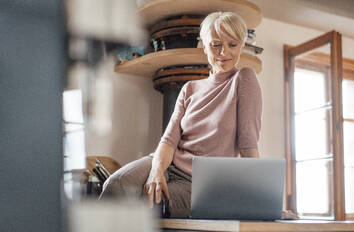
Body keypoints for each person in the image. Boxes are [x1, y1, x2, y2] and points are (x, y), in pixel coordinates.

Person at [99, 11, 263, 218]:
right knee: (115, 185)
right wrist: (156, 172)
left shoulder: (244, 79)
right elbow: (168, 141)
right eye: (216, 44)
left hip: (203, 183)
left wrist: (261, 200)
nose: (224, 52)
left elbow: (248, 143)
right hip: (167, 164)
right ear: (204, 46)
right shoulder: (190, 88)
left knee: (145, 202)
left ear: (241, 46)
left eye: (232, 44)